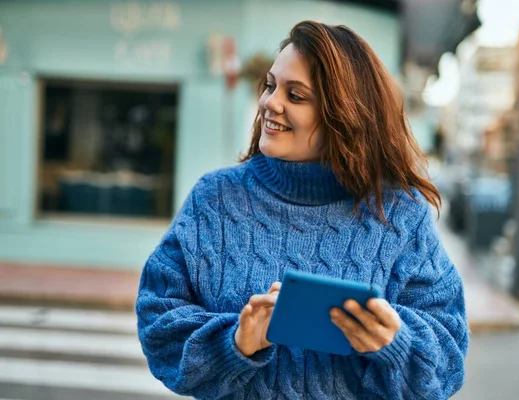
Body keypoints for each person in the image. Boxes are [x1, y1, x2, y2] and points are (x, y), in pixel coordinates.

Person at [136, 20, 468, 399]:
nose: (269, 103)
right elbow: (158, 321)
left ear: (343, 117)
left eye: (295, 96)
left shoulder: (401, 215)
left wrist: (395, 341)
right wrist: (236, 341)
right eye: (270, 85)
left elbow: (447, 356)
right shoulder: (215, 199)